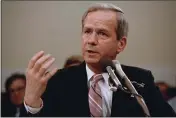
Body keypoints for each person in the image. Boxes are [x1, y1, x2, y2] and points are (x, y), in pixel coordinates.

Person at [20, 3, 176, 117]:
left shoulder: (140, 80)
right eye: (87, 31)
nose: (91, 40)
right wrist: (32, 102)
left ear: (120, 44)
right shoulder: (57, 80)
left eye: (102, 33)